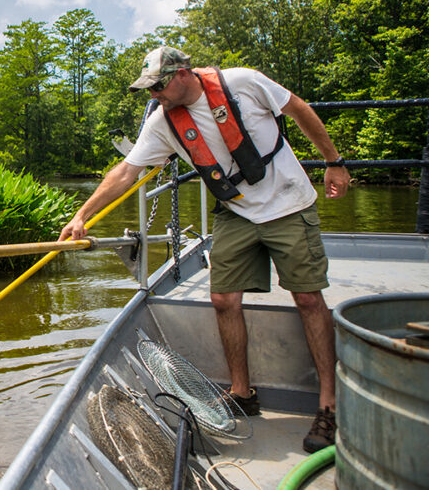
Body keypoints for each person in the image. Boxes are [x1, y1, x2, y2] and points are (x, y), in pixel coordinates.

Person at [58, 46, 348, 453]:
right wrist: (83, 214)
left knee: (307, 299)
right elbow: (127, 171)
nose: (153, 95)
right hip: (237, 212)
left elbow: (298, 109)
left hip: (288, 202)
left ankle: (328, 407)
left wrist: (333, 161)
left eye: (158, 86)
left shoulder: (243, 82)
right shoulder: (163, 121)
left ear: (183, 74)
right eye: (148, 89)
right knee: (223, 299)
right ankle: (243, 393)